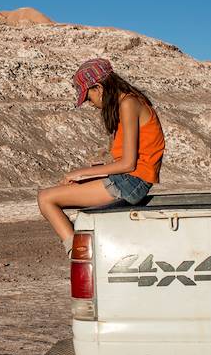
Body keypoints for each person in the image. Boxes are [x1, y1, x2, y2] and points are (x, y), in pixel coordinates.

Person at [37, 57, 165, 251]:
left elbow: (128, 164)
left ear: (98, 87)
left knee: (46, 198)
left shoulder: (128, 103)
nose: (91, 103)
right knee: (65, 190)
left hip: (131, 181)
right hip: (128, 180)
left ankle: (79, 254)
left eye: (89, 97)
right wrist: (94, 171)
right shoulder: (128, 102)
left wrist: (81, 173)